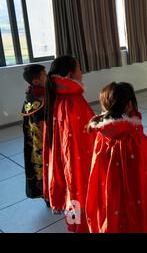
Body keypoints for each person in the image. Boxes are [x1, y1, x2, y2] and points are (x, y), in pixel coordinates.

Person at [86, 82, 147, 233]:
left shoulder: (102, 134)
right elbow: (145, 175)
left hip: (110, 193)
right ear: (129, 105)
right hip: (135, 198)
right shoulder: (134, 140)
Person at [43, 56, 95, 233]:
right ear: (70, 74)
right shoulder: (72, 100)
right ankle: (81, 225)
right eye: (79, 68)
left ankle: (74, 223)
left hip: (68, 158)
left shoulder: (57, 95)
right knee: (78, 187)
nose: (82, 72)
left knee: (72, 188)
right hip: (77, 158)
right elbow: (87, 133)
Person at [21, 64, 47, 202]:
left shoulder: (32, 93)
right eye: (45, 75)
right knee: (42, 168)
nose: (47, 77)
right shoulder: (38, 99)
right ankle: (48, 195)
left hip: (36, 141)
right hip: (40, 143)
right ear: (36, 81)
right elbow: (40, 125)